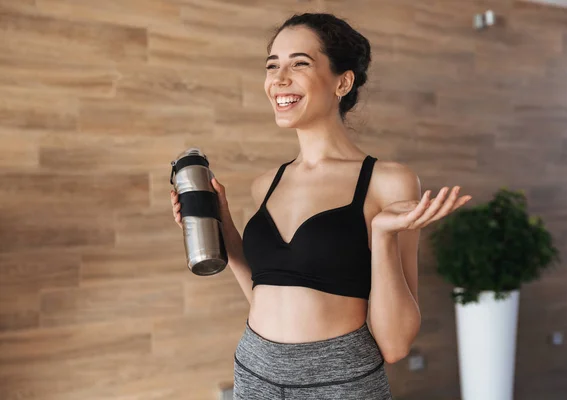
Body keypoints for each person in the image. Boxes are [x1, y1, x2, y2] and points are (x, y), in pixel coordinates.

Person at [171, 13, 471, 400]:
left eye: (299, 63)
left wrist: (382, 235)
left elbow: (395, 345)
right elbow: (264, 291)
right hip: (254, 370)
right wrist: (222, 223)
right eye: (272, 65)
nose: (279, 79)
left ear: (342, 81)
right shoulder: (266, 185)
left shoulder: (387, 181)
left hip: (339, 380)